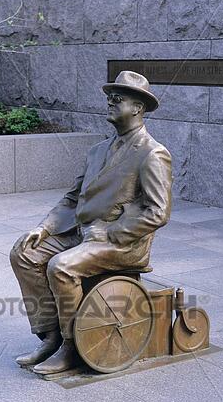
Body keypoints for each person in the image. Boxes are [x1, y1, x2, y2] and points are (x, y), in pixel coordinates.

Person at [10, 70, 172, 375]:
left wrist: (109, 231)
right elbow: (71, 198)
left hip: (122, 243)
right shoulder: (97, 150)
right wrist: (43, 228)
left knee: (61, 266)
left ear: (138, 107)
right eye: (109, 96)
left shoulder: (153, 153)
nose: (110, 101)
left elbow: (158, 211)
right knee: (25, 253)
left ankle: (71, 347)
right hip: (82, 233)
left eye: (118, 98)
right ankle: (51, 335)